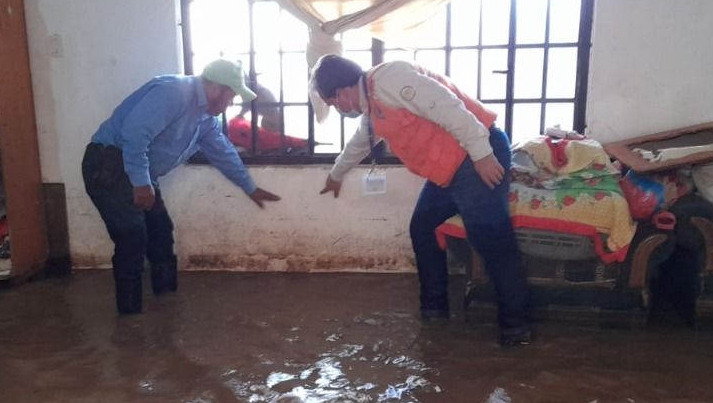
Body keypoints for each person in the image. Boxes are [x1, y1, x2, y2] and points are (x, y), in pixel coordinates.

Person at [311, 54, 532, 346]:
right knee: (423, 228)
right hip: (450, 169)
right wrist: (336, 174)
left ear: (341, 92)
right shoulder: (373, 108)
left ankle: (516, 329)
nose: (337, 109)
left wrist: (482, 153)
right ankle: (434, 311)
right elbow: (360, 143)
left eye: (332, 103)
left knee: (492, 240)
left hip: (476, 154)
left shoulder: (390, 79)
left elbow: (448, 108)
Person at [84, 58, 281, 314]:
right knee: (132, 237)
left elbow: (222, 152)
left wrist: (250, 187)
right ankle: (129, 321)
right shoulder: (174, 93)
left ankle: (167, 307)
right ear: (215, 88)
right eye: (230, 96)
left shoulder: (206, 118)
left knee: (161, 232)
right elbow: (134, 135)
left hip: (137, 171)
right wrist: (142, 184)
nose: (230, 104)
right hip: (108, 165)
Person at [226, 84, 311, 155]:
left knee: (268, 139)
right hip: (271, 116)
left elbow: (247, 105)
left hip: (271, 117)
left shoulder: (250, 90)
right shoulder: (254, 89)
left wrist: (240, 115)